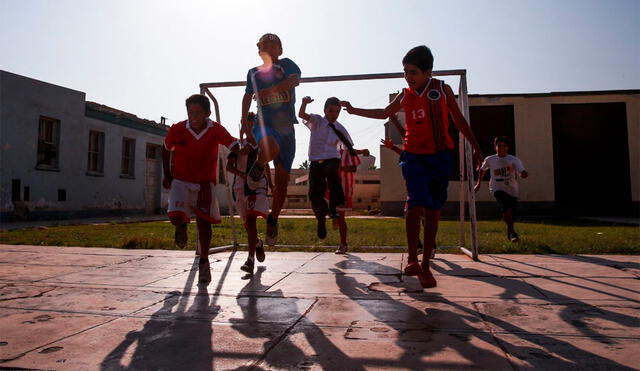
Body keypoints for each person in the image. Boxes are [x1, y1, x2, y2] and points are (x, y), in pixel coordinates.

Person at [341, 45, 483, 288]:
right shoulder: (405, 95)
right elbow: (384, 113)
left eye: (414, 72)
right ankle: (412, 258)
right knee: (415, 203)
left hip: (439, 156)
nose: (408, 77)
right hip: (413, 156)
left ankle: (427, 265)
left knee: (432, 210)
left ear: (428, 72)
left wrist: (476, 147)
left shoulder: (441, 90)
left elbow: (458, 120)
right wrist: (354, 110)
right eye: (405, 72)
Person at [162, 94, 239, 283]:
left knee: (204, 222)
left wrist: (237, 151)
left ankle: (204, 261)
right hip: (181, 179)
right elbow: (165, 149)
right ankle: (181, 226)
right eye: (190, 113)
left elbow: (233, 144)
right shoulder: (178, 129)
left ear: (207, 113)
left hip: (205, 182)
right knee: (176, 216)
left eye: (198, 113)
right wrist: (167, 174)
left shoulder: (215, 130)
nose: (193, 117)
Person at [240, 33, 301, 247]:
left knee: (282, 183)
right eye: (263, 46)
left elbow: (294, 81)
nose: (268, 49)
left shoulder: (286, 64)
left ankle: (273, 219)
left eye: (272, 46)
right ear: (259, 51)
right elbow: (248, 96)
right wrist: (243, 120)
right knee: (270, 147)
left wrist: (270, 91)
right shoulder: (253, 73)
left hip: (286, 129)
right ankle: (257, 167)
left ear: (280, 50)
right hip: (263, 124)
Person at [298, 96, 358, 241]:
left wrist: (356, 153)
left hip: (332, 159)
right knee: (314, 194)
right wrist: (304, 103)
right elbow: (301, 115)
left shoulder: (340, 128)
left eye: (337, 111)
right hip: (315, 161)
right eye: (331, 111)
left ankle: (334, 209)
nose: (334, 114)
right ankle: (321, 219)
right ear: (325, 110)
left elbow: (349, 145)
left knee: (332, 174)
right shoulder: (317, 121)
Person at [226, 112, 271, 275]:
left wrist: (271, 182)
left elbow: (265, 164)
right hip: (239, 187)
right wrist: (240, 156)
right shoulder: (237, 145)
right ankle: (258, 243)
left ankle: (250, 260)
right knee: (248, 227)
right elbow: (228, 167)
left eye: (251, 124)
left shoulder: (261, 144)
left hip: (256, 186)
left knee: (251, 222)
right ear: (242, 125)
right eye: (245, 123)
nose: (248, 127)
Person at [474, 136, 528, 242]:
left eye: (504, 146)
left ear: (507, 148)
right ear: (495, 147)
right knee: (505, 205)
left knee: (511, 212)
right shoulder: (490, 159)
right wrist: (478, 184)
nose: (501, 148)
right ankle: (512, 233)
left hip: (511, 188)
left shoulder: (513, 160)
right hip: (496, 187)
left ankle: (510, 230)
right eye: (499, 145)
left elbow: (521, 171)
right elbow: (482, 170)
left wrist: (523, 174)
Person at [328, 141, 369, 254]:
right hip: (332, 187)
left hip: (344, 188)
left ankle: (343, 244)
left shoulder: (346, 152)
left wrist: (339, 169)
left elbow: (353, 168)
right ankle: (334, 218)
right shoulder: (330, 152)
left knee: (341, 216)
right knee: (332, 211)